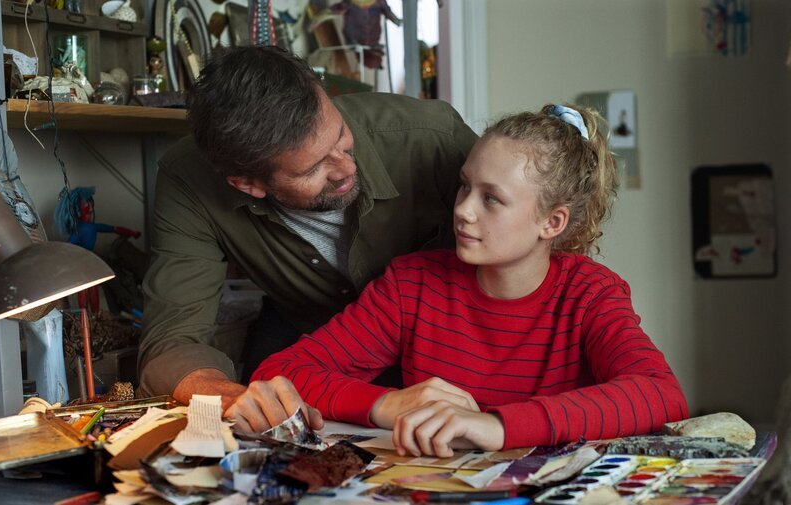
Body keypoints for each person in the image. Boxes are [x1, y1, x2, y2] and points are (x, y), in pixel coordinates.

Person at [248, 104, 688, 455]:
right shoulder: (413, 284)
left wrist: (497, 426)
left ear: (552, 223)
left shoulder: (590, 294)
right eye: (464, 186)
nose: (463, 210)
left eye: (491, 199)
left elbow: (660, 394)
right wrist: (385, 404)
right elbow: (281, 372)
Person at [136, 46, 478, 430]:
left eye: (341, 137)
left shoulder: (431, 138)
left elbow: (538, 252)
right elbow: (171, 340)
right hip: (310, 346)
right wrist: (228, 395)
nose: (347, 168)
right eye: (313, 167)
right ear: (247, 184)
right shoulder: (189, 180)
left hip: (448, 345)